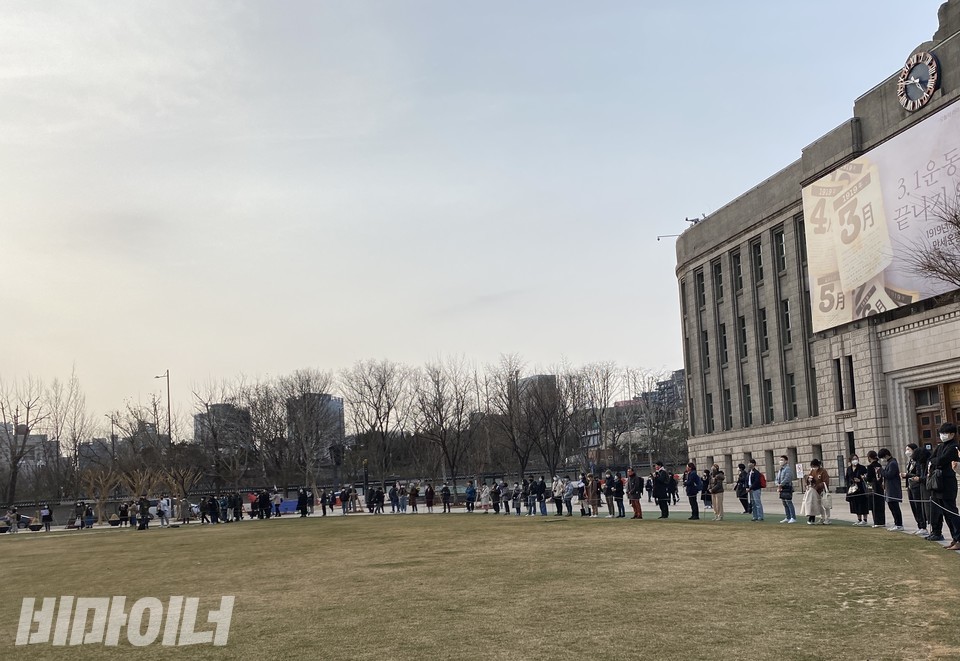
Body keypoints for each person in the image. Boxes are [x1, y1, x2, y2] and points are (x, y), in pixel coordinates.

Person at [930, 423, 960, 548]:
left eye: (945, 433)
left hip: (948, 482)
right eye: (941, 433)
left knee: (951, 511)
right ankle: (954, 538)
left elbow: (941, 461)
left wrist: (936, 461)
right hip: (938, 483)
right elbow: (931, 459)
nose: (942, 436)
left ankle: (959, 538)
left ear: (952, 434)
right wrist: (935, 461)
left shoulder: (954, 447)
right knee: (945, 512)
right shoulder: (941, 446)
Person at [902, 443, 929, 535]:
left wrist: (907, 475)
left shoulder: (918, 462)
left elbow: (918, 474)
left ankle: (923, 526)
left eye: (908, 449)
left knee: (919, 506)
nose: (907, 451)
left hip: (916, 486)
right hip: (910, 486)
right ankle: (919, 525)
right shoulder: (910, 461)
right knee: (913, 506)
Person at [878, 448, 904, 531]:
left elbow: (889, 475)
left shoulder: (893, 463)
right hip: (889, 487)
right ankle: (896, 523)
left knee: (895, 506)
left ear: (886, 455)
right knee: (891, 506)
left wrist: (881, 471)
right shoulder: (890, 462)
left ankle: (899, 524)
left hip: (893, 488)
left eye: (882, 457)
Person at [801, 459, 830, 525]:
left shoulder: (823, 471)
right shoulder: (812, 471)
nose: (814, 468)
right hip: (815, 491)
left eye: (815, 466)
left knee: (825, 505)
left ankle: (827, 518)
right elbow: (808, 479)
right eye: (812, 466)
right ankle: (822, 518)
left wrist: (818, 486)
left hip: (822, 490)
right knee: (819, 505)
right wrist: (809, 480)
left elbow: (826, 482)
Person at [845, 455, 870, 526]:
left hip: (861, 488)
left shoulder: (862, 468)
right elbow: (847, 478)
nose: (855, 460)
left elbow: (866, 477)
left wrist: (860, 480)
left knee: (863, 504)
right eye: (853, 459)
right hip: (853, 489)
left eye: (856, 459)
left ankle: (865, 519)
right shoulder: (849, 469)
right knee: (855, 504)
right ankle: (859, 519)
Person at [865, 450, 886, 529]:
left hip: (874, 487)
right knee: (881, 505)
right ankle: (882, 521)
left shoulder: (870, 467)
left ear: (870, 458)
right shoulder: (879, 465)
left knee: (875, 505)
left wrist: (865, 477)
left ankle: (877, 522)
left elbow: (869, 478)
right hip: (880, 486)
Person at [774, 455, 796, 523]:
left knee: (789, 502)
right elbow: (777, 478)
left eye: (782, 460)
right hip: (781, 488)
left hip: (787, 487)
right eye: (780, 460)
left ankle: (793, 517)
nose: (781, 461)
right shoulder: (780, 469)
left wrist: (781, 484)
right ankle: (788, 517)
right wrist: (777, 484)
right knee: (784, 503)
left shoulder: (787, 469)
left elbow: (787, 478)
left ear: (786, 461)